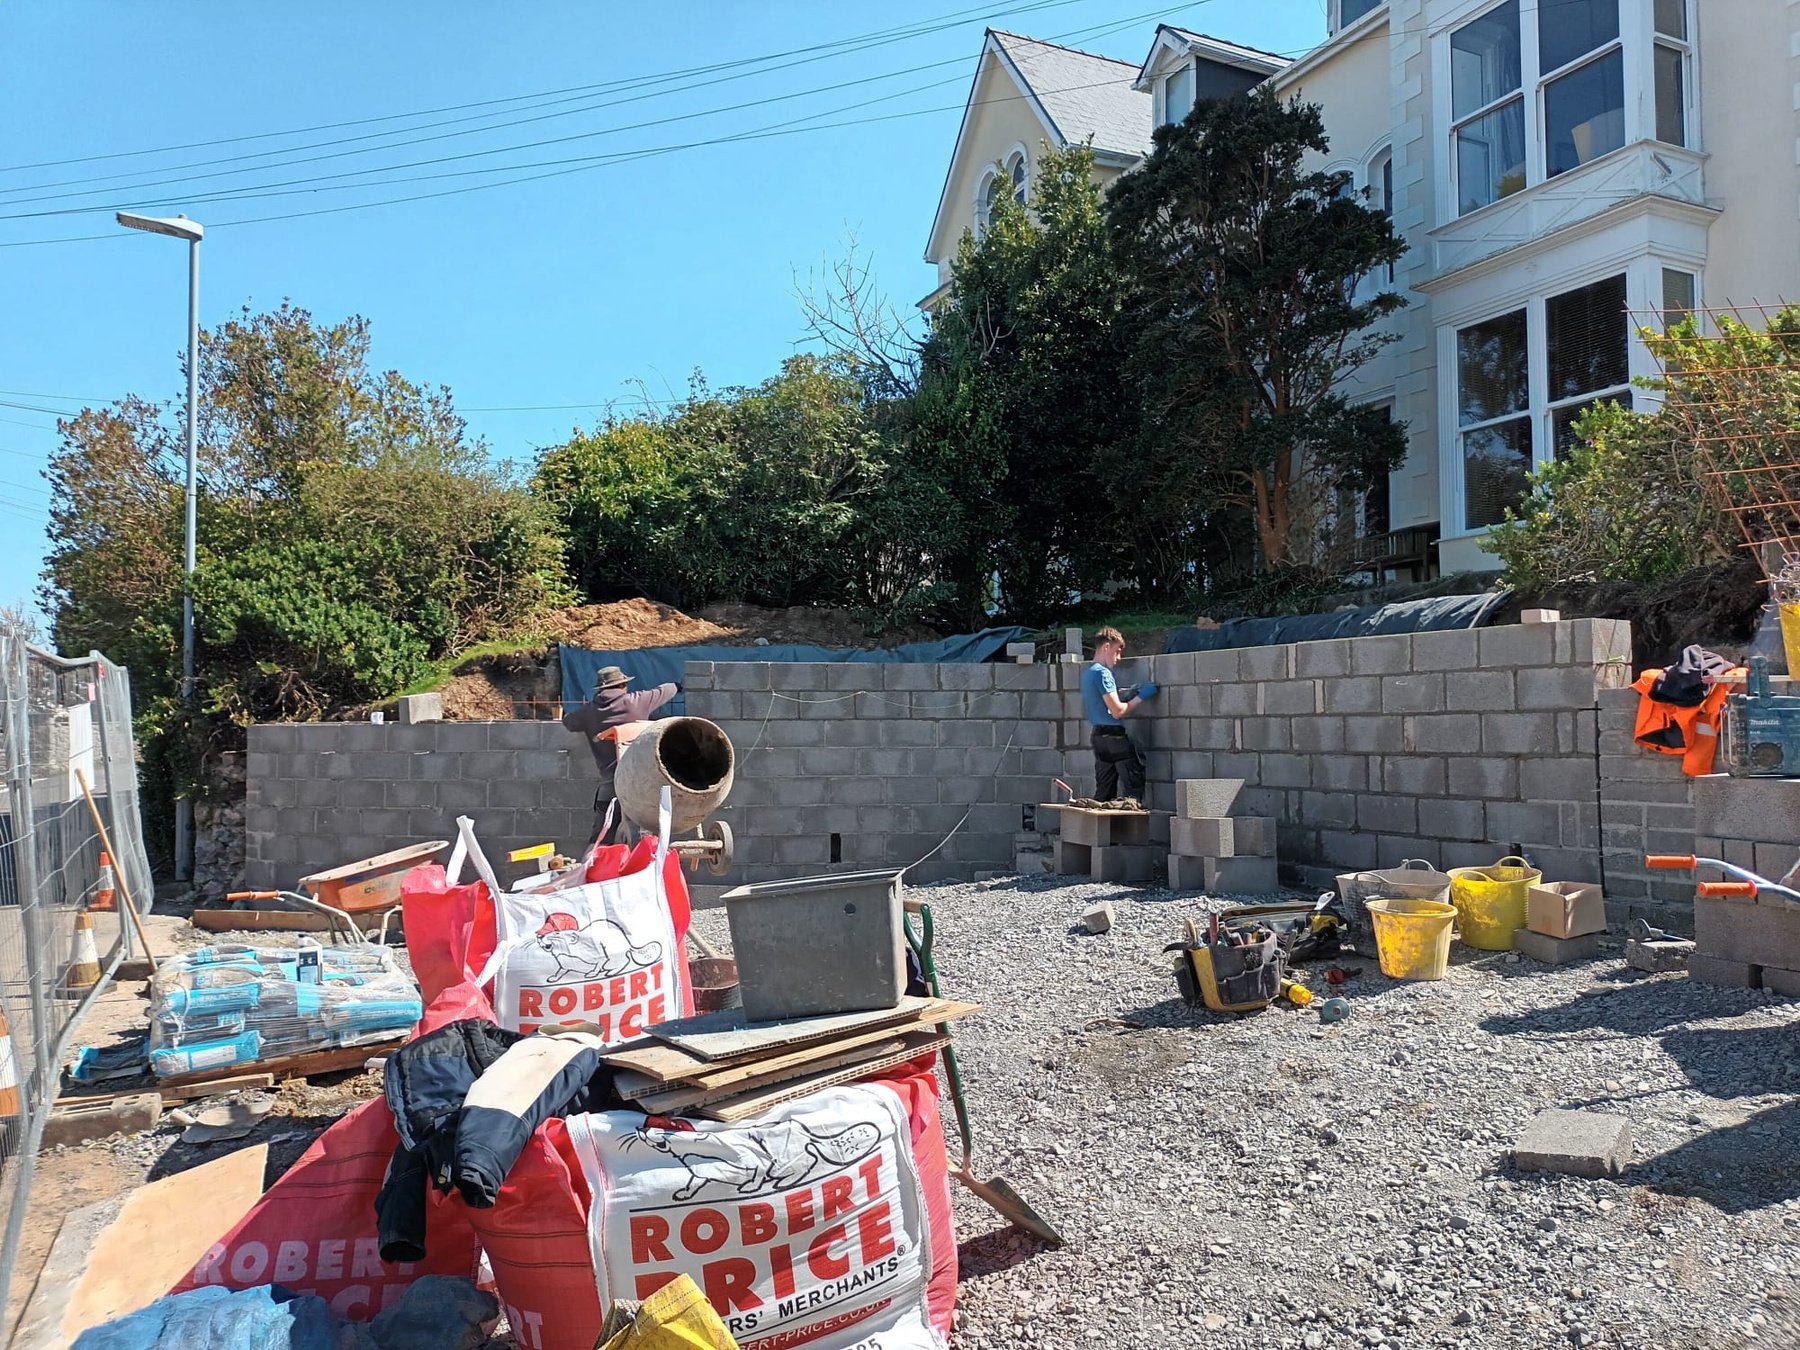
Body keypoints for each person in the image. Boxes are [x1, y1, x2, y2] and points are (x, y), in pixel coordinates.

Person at [562, 665, 679, 845]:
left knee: (601, 837)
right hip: (642, 785)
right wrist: (678, 685)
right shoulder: (638, 701)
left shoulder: (588, 712)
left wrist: (588, 714)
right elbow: (667, 689)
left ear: (600, 689)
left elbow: (568, 722)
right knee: (645, 838)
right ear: (623, 686)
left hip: (611, 784)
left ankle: (593, 866)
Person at [1080, 627, 1157, 803]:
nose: (1118, 658)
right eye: (1117, 652)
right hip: (1114, 738)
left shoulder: (1088, 673)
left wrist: (1124, 694)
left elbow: (1101, 701)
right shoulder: (1103, 673)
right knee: (1133, 790)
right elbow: (1117, 711)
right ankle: (1131, 830)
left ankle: (1098, 830)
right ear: (1106, 647)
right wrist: (1141, 696)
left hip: (1099, 738)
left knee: (1104, 793)